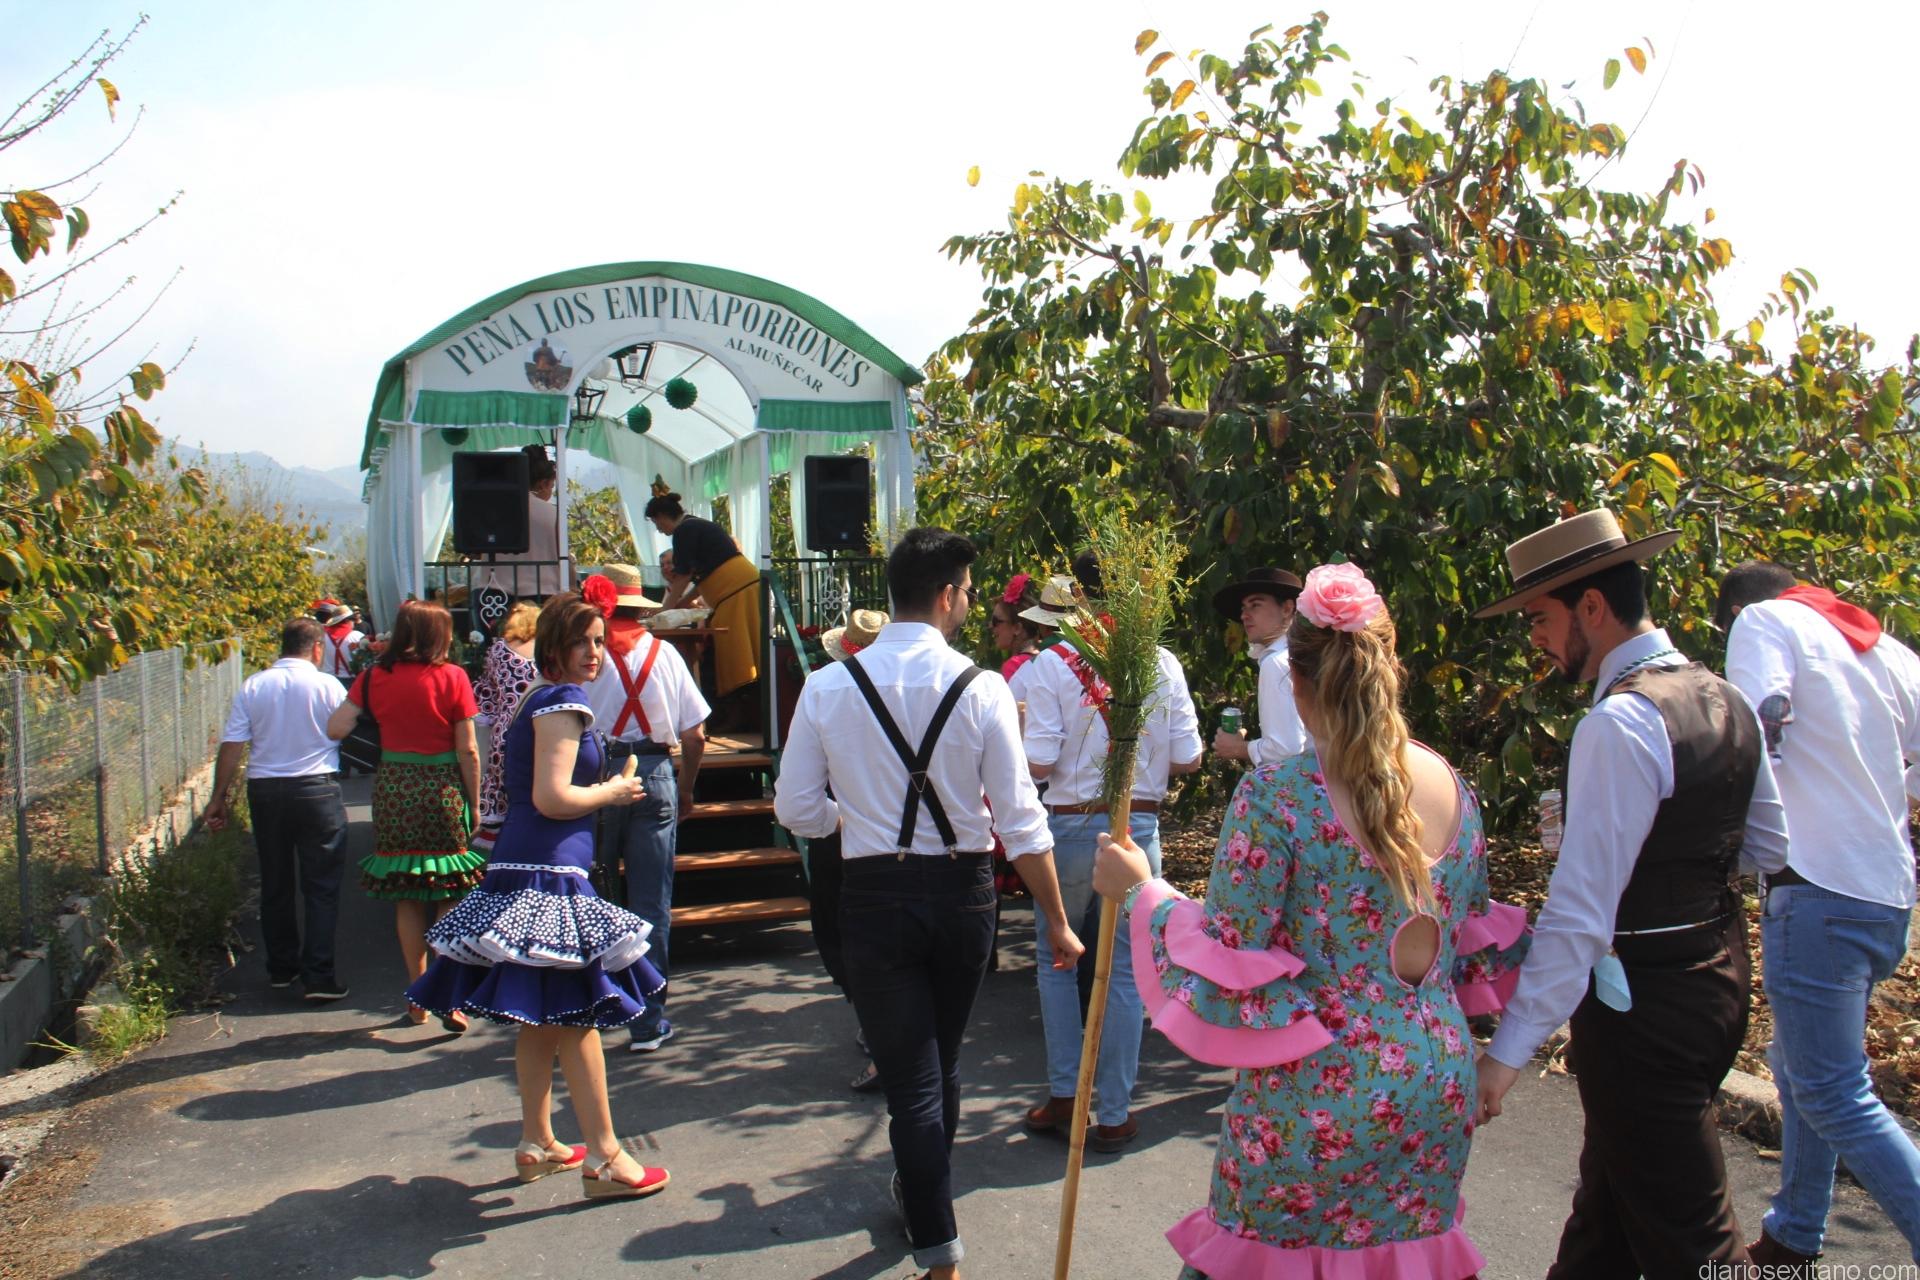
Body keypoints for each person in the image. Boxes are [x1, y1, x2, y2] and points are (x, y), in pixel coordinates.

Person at [1091, 561, 1527, 1276]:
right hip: (1434, 1081)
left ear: (1294, 680)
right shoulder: (1454, 785)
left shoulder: (1277, 795)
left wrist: (1142, 890)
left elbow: (1229, 953)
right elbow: (1469, 936)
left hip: (1315, 1090)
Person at [1473, 509, 1790, 1277]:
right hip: (1718, 981)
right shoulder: (1726, 697)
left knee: (1697, 1246)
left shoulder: (1622, 721)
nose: (1536, 639)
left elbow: (1580, 917)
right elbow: (1769, 846)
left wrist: (1505, 1055)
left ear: (1591, 606)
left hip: (1643, 1010)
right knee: (1608, 1217)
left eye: (1540, 618)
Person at [774, 526, 1085, 1280]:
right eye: (969, 592)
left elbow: (795, 808)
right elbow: (1020, 819)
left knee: (914, 1077)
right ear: (947, 596)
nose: (971, 603)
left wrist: (851, 821)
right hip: (962, 893)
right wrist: (1055, 918)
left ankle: (932, 1224)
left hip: (874, 894)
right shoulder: (982, 686)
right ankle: (933, 1227)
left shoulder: (828, 685)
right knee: (939, 1063)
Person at [407, 593, 670, 1199]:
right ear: (554, 643)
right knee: (578, 1016)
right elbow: (553, 798)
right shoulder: (562, 701)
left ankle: (538, 1141)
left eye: (599, 641)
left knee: (543, 1021)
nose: (594, 653)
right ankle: (606, 1157)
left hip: (527, 864)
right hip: (548, 872)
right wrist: (613, 792)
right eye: (582, 641)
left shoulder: (537, 695)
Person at [1714, 561, 1920, 1266]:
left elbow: (1755, 726)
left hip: (1816, 888)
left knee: (1833, 1092)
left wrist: (1730, 841)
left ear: (1735, 611)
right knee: (1800, 1064)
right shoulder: (1883, 647)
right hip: (1885, 893)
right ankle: (1793, 1235)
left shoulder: (1762, 620)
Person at [1017, 570, 1203, 1153]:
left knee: (1058, 958)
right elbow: (1189, 757)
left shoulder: (1052, 664)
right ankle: (1115, 1112)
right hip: (1139, 828)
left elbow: (1039, 762)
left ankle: (1065, 1094)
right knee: (1123, 970)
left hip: (1070, 824)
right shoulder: (1162, 662)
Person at [327, 599, 487, 1030]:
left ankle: (417, 996)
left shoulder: (373, 676)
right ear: (439, 635)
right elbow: (469, 749)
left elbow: (336, 728)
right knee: (449, 890)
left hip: (394, 787)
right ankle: (447, 994)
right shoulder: (453, 677)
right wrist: (475, 802)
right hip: (442, 789)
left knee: (407, 893)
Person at [581, 566, 710, 1055]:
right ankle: (647, 1021)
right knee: (650, 902)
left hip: (596, 773)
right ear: (640, 608)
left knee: (592, 894)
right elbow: (696, 735)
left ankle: (593, 1008)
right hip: (655, 772)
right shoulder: (666, 655)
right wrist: (687, 787)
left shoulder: (585, 658)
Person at [205, 618, 353, 1001]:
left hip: (266, 790)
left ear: (283, 646)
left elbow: (233, 743)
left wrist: (219, 796)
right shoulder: (328, 685)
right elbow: (347, 731)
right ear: (317, 648)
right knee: (321, 886)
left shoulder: (254, 685)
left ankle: (282, 968)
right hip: (317, 788)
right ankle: (318, 976)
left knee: (275, 881)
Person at [807, 607, 891, 1092]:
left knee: (840, 930)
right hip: (903, 830)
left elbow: (800, 794)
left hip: (842, 826)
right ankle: (885, 1031)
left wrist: (832, 821)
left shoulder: (826, 690)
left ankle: (878, 1031)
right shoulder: (913, 692)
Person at [643, 490, 760, 699]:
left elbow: (684, 576)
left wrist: (663, 611)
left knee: (736, 657)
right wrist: (679, 604)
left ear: (661, 516)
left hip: (737, 592)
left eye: (655, 522)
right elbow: (700, 580)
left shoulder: (685, 530)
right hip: (737, 591)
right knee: (736, 654)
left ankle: (741, 707)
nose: (658, 529)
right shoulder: (694, 525)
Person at [1209, 567, 1310, 767]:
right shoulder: (1305, 653)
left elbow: (1286, 750)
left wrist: (1238, 748)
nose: (1244, 616)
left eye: (1255, 605)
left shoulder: (1277, 662)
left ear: (1287, 609)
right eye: (1243, 608)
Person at [472, 601, 540, 855]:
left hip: (505, 730)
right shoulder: (548, 651)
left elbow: (486, 696)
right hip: (540, 725)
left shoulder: (499, 650)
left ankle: (504, 846)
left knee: (503, 786)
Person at [484, 443, 567, 598]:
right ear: (543, 484)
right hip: (543, 593)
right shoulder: (554, 514)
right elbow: (563, 557)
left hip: (493, 594)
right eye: (552, 486)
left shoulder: (491, 510)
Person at [988, 574, 1044, 682]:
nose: (991, 626)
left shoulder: (1014, 666)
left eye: (996, 621)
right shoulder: (1046, 660)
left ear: (1017, 628)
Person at [318, 604, 366, 683]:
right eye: (352, 620)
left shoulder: (321, 637)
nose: (354, 623)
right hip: (352, 681)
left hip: (329, 681)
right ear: (347, 621)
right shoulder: (357, 636)